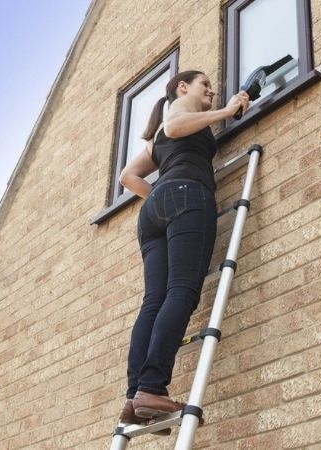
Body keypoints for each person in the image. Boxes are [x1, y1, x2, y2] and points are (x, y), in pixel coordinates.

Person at [117, 70, 249, 431]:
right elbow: (176, 128)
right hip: (188, 196)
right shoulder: (176, 115)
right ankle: (151, 386)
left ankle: (135, 397)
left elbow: (127, 177)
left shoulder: (155, 136)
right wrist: (228, 110)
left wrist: (159, 193)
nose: (211, 90)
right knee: (182, 292)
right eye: (205, 84)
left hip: (154, 212)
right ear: (182, 87)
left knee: (154, 301)